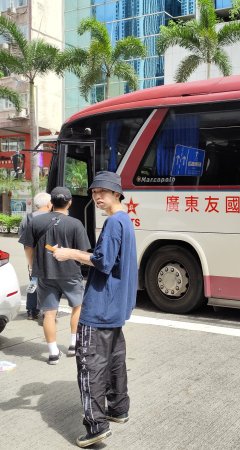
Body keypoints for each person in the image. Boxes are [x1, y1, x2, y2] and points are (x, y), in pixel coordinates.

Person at [53, 171, 137, 449]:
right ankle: (118, 409)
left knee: (89, 366)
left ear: (116, 193)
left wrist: (70, 253)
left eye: (102, 191)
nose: (97, 196)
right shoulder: (126, 220)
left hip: (100, 307)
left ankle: (96, 426)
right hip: (116, 306)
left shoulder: (114, 223)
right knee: (114, 362)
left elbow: (103, 261)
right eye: (93, 192)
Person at [19, 187, 90, 364]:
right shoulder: (75, 224)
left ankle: (52, 353)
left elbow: (28, 247)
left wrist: (32, 265)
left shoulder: (35, 222)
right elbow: (82, 251)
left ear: (51, 203)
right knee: (78, 307)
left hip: (45, 273)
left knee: (49, 314)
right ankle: (74, 345)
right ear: (70, 202)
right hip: (70, 273)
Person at [18, 192, 52, 320]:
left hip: (32, 256)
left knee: (34, 282)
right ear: (49, 204)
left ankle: (31, 311)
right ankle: (47, 312)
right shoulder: (54, 217)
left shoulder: (27, 218)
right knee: (50, 285)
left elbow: (22, 238)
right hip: (51, 256)